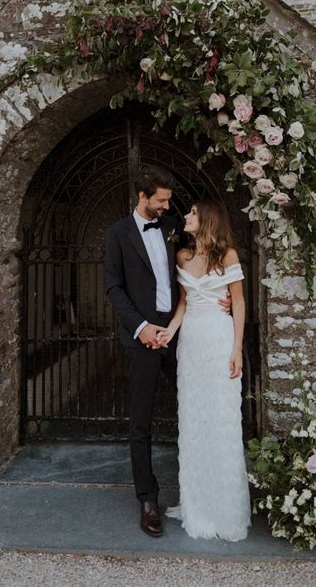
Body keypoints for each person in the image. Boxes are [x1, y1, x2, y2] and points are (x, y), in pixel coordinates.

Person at [105, 166, 231, 538]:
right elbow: (113, 288)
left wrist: (218, 295)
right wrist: (142, 329)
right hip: (144, 335)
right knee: (140, 421)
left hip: (183, 332)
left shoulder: (173, 225)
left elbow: (206, 258)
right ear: (142, 197)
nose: (167, 205)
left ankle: (208, 496)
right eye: (160, 200)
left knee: (200, 410)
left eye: (168, 200)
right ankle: (147, 499)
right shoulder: (117, 234)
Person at [156, 199, 251, 541]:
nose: (187, 216)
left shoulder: (228, 256)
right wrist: (170, 331)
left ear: (208, 219)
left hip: (219, 339)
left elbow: (238, 302)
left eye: (194, 213)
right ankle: (197, 505)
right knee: (194, 420)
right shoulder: (182, 256)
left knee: (222, 420)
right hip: (192, 342)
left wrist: (236, 348)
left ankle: (225, 510)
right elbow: (183, 303)